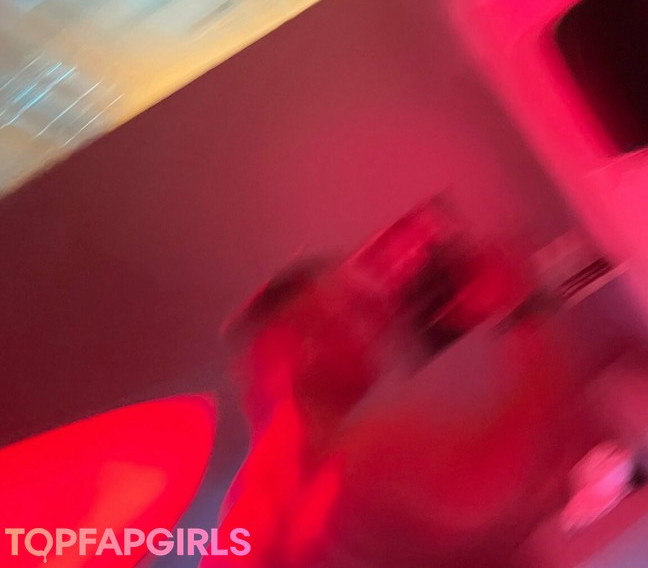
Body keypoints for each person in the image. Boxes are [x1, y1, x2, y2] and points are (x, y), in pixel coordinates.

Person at [208, 222, 576, 568]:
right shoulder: (357, 465)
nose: (375, 324)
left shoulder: (242, 512)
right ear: (292, 346)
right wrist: (520, 305)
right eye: (348, 310)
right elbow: (524, 460)